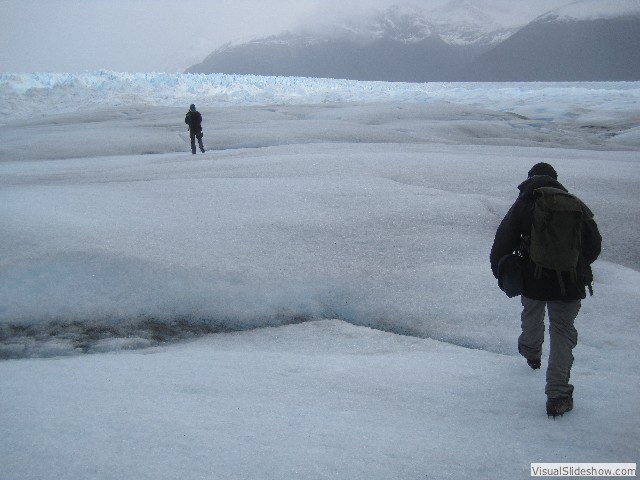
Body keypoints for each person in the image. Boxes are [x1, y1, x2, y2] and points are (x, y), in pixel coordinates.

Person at [490, 162, 601, 417]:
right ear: (555, 179)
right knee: (562, 332)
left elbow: (503, 240)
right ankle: (558, 395)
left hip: (535, 279)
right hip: (570, 283)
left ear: (530, 179)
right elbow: (594, 244)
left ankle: (531, 353)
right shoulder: (574, 203)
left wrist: (502, 273)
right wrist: (573, 263)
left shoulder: (524, 204)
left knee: (532, 314)